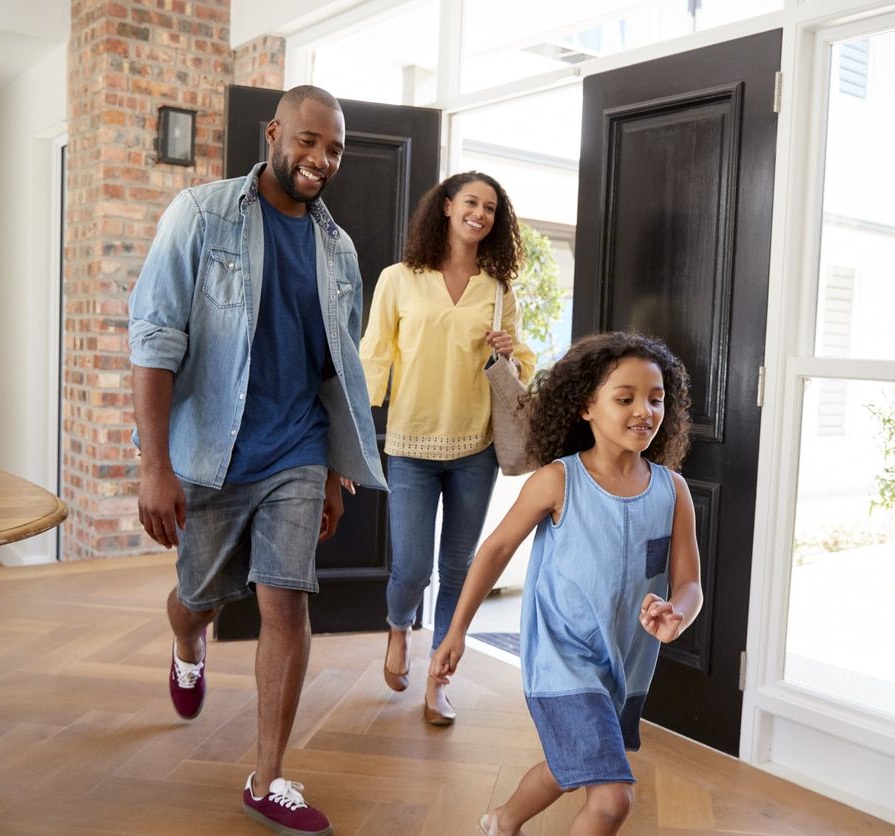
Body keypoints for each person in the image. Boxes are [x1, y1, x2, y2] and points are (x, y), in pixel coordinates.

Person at [128, 85, 386, 836]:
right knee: (201, 600)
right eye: (309, 140)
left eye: (334, 148)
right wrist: (155, 467)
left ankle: (268, 777)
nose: (321, 159)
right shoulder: (201, 214)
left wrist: (336, 468)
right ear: (274, 132)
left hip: (297, 449)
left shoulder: (338, 250)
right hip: (213, 449)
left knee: (285, 601)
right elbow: (154, 339)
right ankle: (185, 639)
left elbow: (336, 368)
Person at [429, 332, 703, 835]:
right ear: (585, 408)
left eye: (656, 399)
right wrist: (456, 631)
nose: (644, 410)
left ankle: (502, 821)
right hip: (560, 661)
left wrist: (677, 613)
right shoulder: (558, 481)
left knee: (572, 767)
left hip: (625, 667)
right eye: (625, 398)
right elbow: (494, 551)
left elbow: (690, 583)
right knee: (613, 797)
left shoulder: (673, 491)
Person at [360, 171, 536, 725]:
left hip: (475, 447)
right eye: (470, 202)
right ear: (446, 207)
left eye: (489, 207)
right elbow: (375, 356)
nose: (479, 213)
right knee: (411, 567)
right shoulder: (399, 279)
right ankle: (397, 628)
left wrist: (509, 352)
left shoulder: (498, 289)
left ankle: (439, 677)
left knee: (458, 568)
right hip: (411, 443)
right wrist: (356, 435)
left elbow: (521, 369)